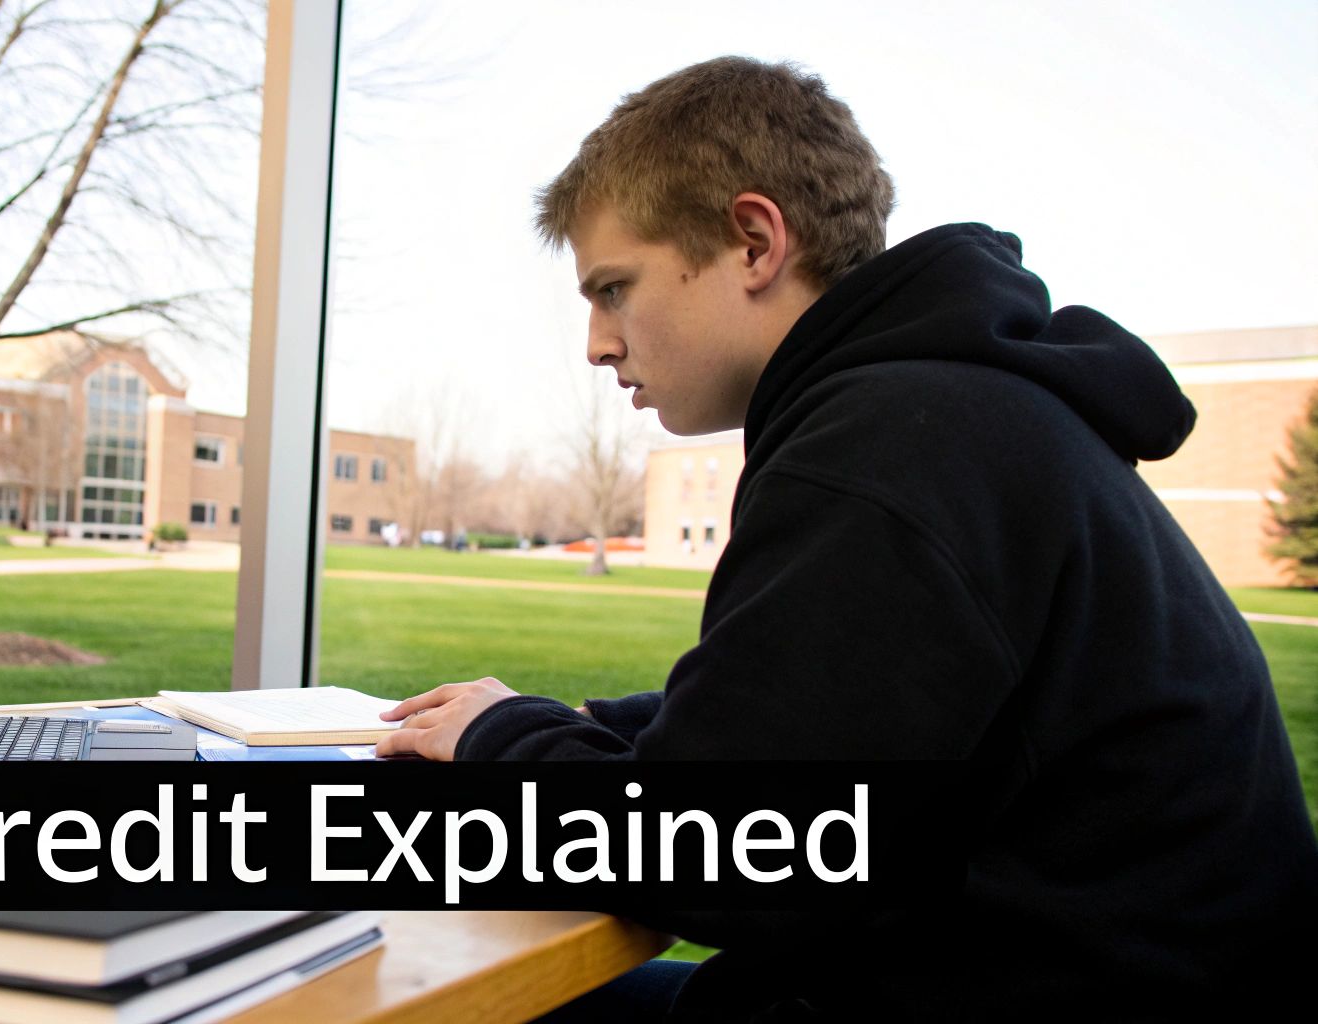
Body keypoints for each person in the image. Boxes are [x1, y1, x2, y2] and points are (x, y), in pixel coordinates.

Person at [373, 57, 1318, 1018]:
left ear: (753, 241)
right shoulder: (944, 410)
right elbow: (826, 719)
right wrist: (588, 728)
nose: (597, 342)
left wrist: (504, 740)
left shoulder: (886, 451)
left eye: (614, 288)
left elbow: (723, 858)